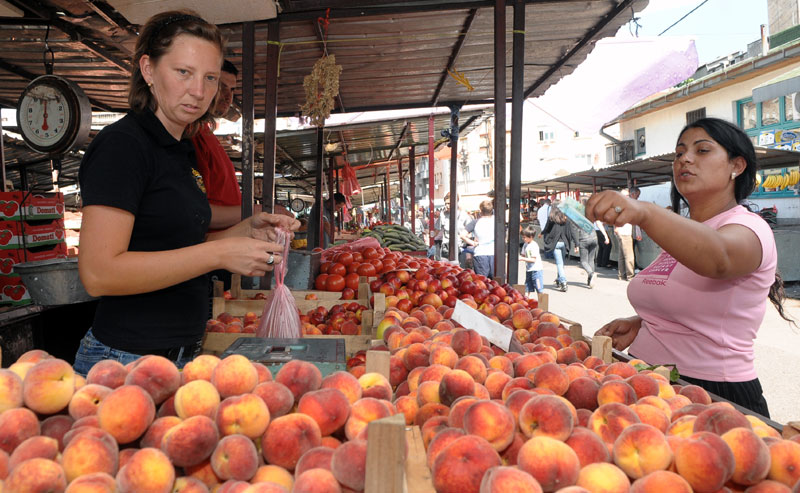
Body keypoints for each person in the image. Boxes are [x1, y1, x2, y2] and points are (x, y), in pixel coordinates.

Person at [75, 10, 299, 375]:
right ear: (148, 70)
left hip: (178, 355)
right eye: (184, 72)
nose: (199, 91)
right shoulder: (124, 145)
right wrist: (218, 252)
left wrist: (248, 228)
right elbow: (99, 272)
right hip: (125, 360)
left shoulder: (181, 147)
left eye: (210, 77)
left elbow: (174, 240)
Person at [586, 117, 791, 416]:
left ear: (737, 166)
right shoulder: (684, 229)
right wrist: (644, 322)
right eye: (679, 152)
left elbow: (718, 259)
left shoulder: (749, 227)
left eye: (702, 150)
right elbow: (692, 302)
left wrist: (645, 212)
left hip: (709, 393)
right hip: (649, 383)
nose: (685, 159)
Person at [192, 59, 241, 230]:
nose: (228, 96)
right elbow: (195, 212)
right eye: (221, 86)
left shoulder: (206, 133)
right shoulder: (191, 135)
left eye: (232, 89)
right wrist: (250, 212)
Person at [542, 204, 575, 292]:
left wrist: (541, 233)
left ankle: (563, 281)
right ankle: (559, 279)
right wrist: (576, 244)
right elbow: (572, 230)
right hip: (564, 243)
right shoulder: (565, 218)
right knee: (561, 262)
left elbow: (546, 228)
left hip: (555, 243)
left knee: (559, 263)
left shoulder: (551, 218)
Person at [464, 200, 495, 278]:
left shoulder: (476, 222)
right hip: (494, 253)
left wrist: (472, 243)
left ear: (481, 211)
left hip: (480, 254)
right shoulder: (496, 221)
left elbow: (462, 235)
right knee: (496, 282)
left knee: (482, 281)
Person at [574, 198, 600, 288]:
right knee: (591, 260)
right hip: (594, 237)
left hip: (584, 239)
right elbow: (598, 223)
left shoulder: (578, 214)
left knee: (583, 261)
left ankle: (591, 273)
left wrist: (576, 243)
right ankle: (590, 281)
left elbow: (575, 228)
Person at [614, 189, 636, 281]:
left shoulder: (618, 205)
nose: (628, 196)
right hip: (625, 232)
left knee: (622, 255)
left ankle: (622, 275)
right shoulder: (623, 206)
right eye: (627, 195)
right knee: (629, 255)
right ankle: (630, 276)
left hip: (620, 232)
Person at [520, 225, 543, 299]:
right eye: (523, 237)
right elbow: (523, 254)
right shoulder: (525, 245)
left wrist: (522, 259)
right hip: (529, 269)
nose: (523, 239)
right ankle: (526, 300)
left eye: (525, 237)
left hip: (536, 270)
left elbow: (533, 259)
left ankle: (541, 302)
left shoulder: (534, 245)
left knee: (538, 287)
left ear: (531, 237)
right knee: (527, 286)